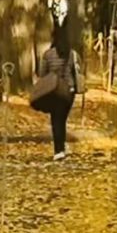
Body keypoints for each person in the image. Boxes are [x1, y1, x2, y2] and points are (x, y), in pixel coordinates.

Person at [37, 20, 81, 161]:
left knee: (56, 120)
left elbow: (41, 73)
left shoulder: (48, 55)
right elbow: (78, 70)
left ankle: (58, 150)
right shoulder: (73, 54)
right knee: (62, 119)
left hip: (53, 90)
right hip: (69, 90)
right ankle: (61, 148)